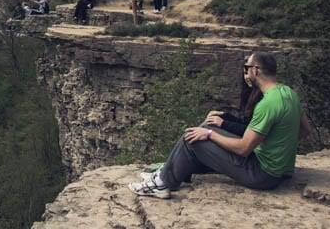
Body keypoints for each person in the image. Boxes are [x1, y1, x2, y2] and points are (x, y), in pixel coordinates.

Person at [129, 52, 306, 199]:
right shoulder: (289, 94)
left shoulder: (268, 104)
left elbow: (244, 149)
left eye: (246, 68)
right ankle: (165, 173)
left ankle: (162, 184)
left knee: (192, 138)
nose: (245, 73)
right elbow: (305, 131)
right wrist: (278, 148)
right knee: (207, 128)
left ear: (256, 70)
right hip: (277, 170)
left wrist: (210, 135)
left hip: (262, 175)